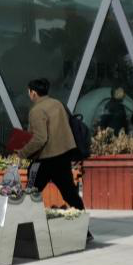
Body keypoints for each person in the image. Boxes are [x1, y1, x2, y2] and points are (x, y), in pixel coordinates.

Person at [23, 77, 87, 215]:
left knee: (30, 193)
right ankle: (83, 222)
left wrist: (23, 152)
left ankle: (26, 222)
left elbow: (40, 139)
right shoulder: (58, 104)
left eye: (29, 91)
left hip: (44, 159)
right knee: (69, 192)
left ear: (33, 93)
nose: (29, 94)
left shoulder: (37, 110)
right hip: (63, 156)